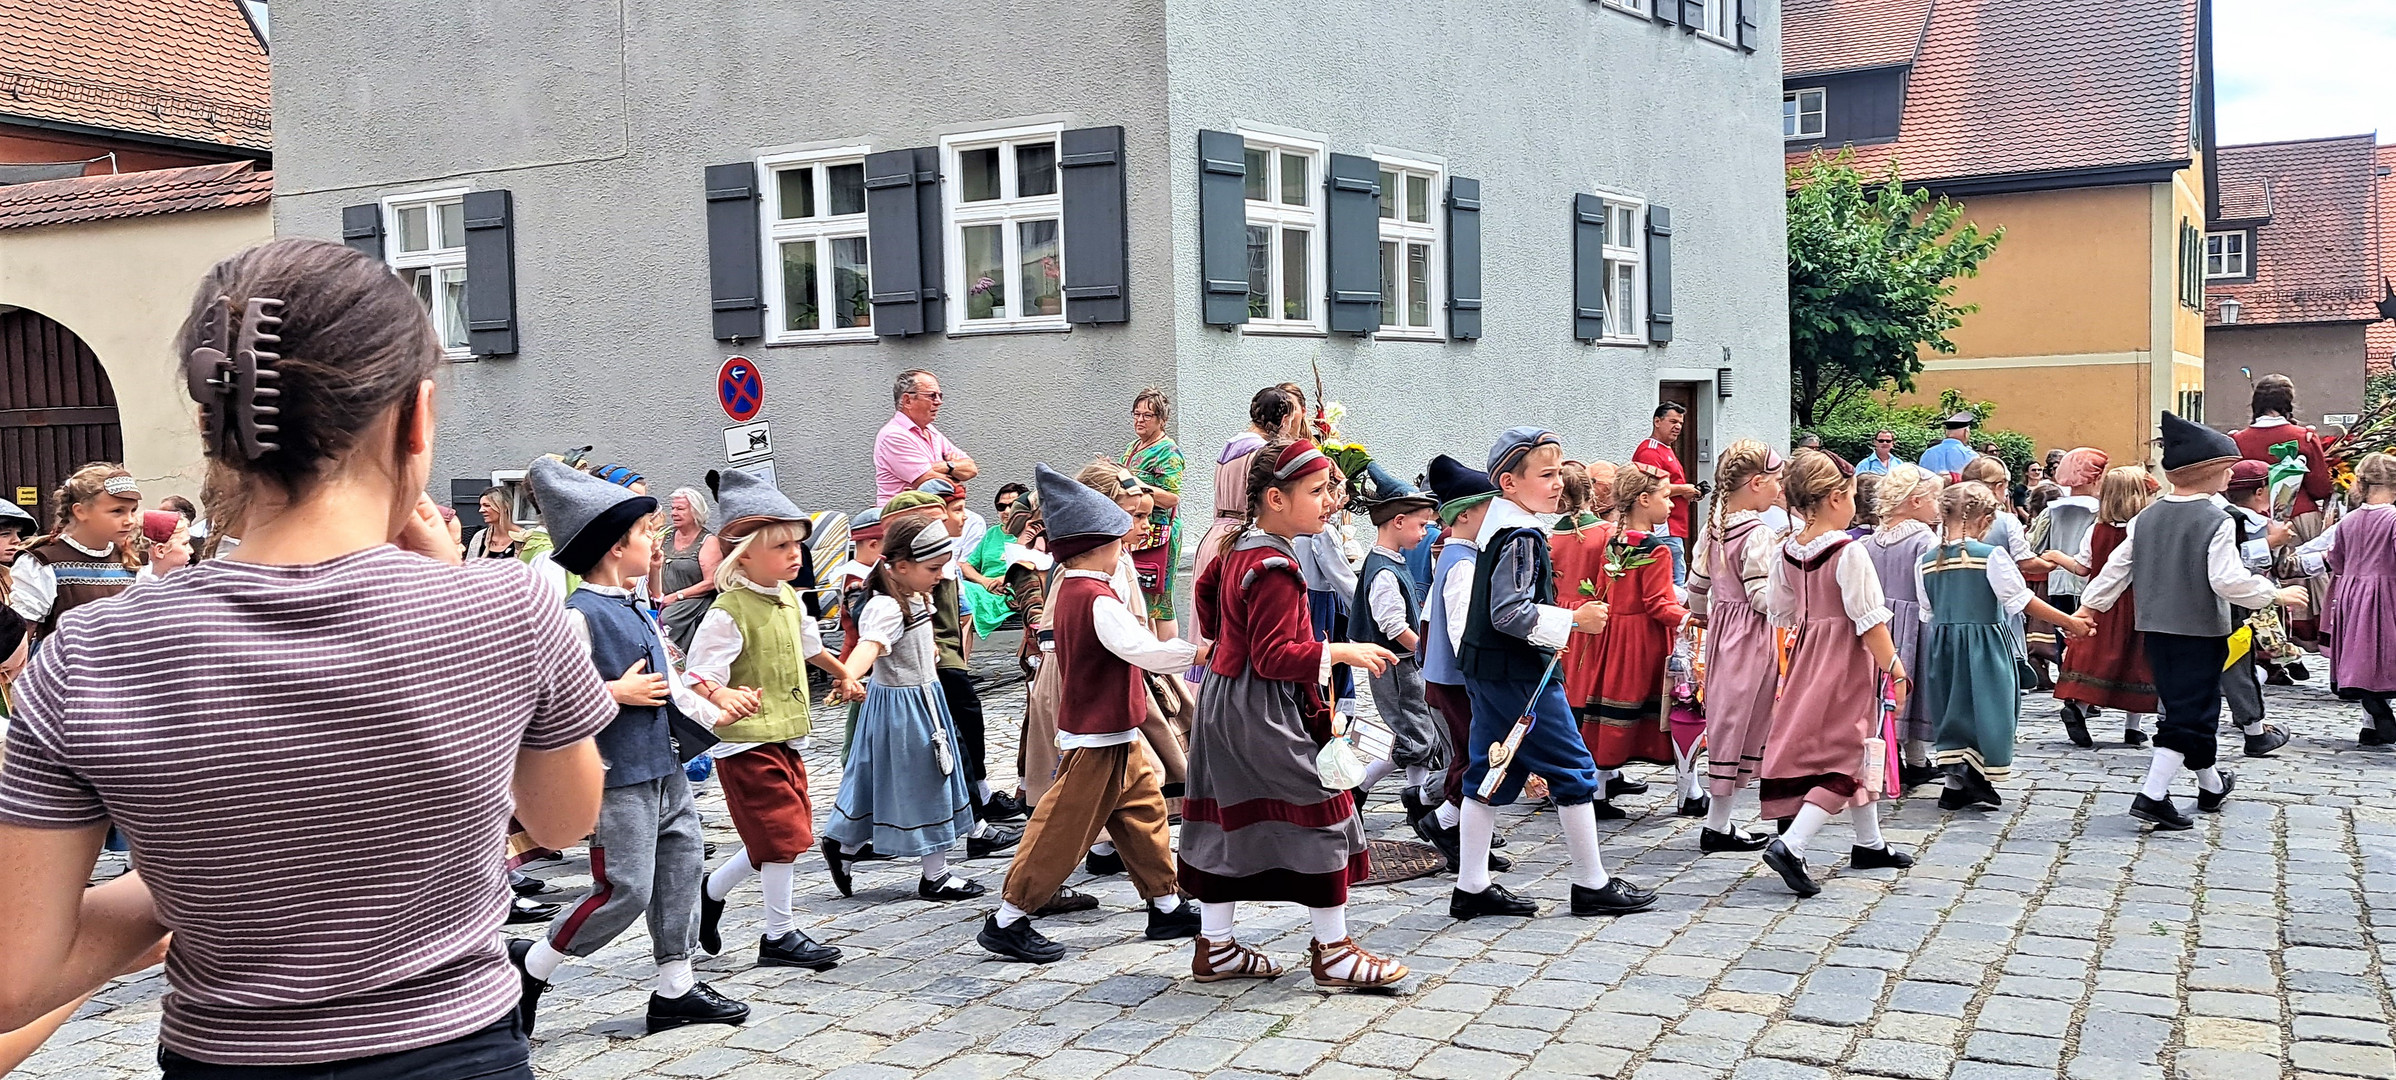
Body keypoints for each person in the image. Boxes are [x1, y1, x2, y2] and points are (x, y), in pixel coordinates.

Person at [0, 238, 614, 1077]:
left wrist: (199, 886)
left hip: (225, 1058)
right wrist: (458, 585)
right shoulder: (504, 605)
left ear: (212, 429)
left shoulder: (92, 653)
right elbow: (564, 819)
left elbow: (16, 976)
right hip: (454, 1051)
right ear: (418, 415)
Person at [508, 459, 750, 1035]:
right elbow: (544, 691)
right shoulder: (577, 616)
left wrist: (718, 706)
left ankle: (676, 988)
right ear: (616, 548)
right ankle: (533, 965)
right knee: (625, 888)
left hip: (664, 768)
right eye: (645, 534)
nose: (655, 542)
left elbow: (671, 681)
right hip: (616, 776)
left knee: (680, 870)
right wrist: (613, 690)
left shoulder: (637, 606)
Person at [1180, 439, 1408, 988]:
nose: (1329, 501)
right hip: (1261, 708)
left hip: (1223, 699)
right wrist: (1342, 651)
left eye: (1329, 488)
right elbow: (1275, 656)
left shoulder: (1238, 548)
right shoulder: (1276, 565)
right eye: (1317, 490)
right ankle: (1333, 951)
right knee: (1324, 809)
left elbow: (1208, 605)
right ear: (1275, 499)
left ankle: (1217, 947)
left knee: (1226, 817)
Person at [977, 465, 1199, 963]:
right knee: (1061, 828)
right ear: (1098, 545)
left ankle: (1165, 905)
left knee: (1143, 814)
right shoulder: (1094, 597)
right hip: (1097, 735)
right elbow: (1140, 648)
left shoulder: (1084, 589)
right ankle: (1008, 919)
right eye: (1118, 540)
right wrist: (1196, 654)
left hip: (1116, 730)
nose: (1125, 545)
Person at [1451, 428, 1655, 920]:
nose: (1557, 483)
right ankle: (1591, 883)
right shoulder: (1519, 536)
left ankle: (1471, 886)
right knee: (1572, 767)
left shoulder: (1504, 528)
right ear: (1508, 483)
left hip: (1492, 669)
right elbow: (1509, 613)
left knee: (1492, 768)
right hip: (1518, 672)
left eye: (1558, 473)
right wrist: (1573, 620)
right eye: (1545, 475)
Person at [2079, 414, 2308, 830]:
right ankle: (2152, 796)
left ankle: (2211, 783)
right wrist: (2274, 593)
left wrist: (2091, 606)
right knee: (2190, 715)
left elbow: (2117, 568)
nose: (2230, 476)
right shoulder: (2217, 520)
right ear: (2209, 473)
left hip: (2155, 630)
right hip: (2201, 632)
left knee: (2192, 709)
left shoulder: (2144, 518)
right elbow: (2226, 580)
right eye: (2226, 469)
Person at [686, 469, 857, 967]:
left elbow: (809, 648)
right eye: (781, 545)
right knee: (784, 837)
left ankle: (710, 891)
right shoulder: (728, 611)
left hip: (784, 733)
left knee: (783, 832)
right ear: (745, 553)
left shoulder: (789, 599)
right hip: (743, 742)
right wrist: (722, 693)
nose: (794, 554)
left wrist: (844, 673)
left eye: (797, 545)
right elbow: (699, 675)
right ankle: (779, 935)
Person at [1757, 449, 1914, 898]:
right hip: (1847, 658)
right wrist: (1897, 670)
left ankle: (1870, 843)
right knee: (1846, 752)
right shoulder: (1849, 552)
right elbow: (1870, 621)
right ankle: (1793, 843)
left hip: (1809, 654)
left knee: (1859, 744)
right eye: (1849, 497)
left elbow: (1782, 610)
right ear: (1832, 499)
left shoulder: (1786, 550)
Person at [819, 514, 989, 901]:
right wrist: (848, 675)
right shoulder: (886, 606)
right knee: (928, 781)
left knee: (881, 780)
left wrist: (926, 649)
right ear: (900, 567)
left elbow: (904, 642)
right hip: (904, 706)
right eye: (933, 567)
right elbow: (871, 645)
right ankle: (936, 875)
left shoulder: (914, 594)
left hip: (921, 697)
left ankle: (843, 845)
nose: (940, 574)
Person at [1916, 481, 2091, 813]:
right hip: (1985, 641)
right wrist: (2069, 623)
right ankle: (1971, 772)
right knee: (1990, 704)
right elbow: (2021, 600)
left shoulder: (1926, 560)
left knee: (1954, 706)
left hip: (1944, 645)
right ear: (1984, 519)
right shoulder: (1990, 556)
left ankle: (1955, 785)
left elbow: (1928, 612)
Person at [1411, 455, 1510, 874]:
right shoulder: (1463, 564)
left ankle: (1448, 822)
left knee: (1470, 756)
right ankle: (1445, 821)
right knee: (1477, 757)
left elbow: (1429, 618)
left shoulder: (1456, 556)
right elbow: (1457, 629)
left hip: (1446, 677)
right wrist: (1478, 677)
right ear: (1466, 514)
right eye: (1491, 506)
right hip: (1458, 680)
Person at [1684, 440, 1783, 852]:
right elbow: (1761, 596)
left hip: (1724, 632)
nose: (1779, 489)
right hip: (1750, 635)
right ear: (1756, 483)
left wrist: (1709, 613)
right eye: (1775, 481)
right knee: (1742, 720)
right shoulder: (1757, 533)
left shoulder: (1715, 527)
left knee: (1728, 718)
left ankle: (1719, 821)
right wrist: (1793, 601)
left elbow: (1696, 589)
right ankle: (1718, 824)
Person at [1577, 464, 1688, 816]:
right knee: (1656, 710)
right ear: (1644, 499)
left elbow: (1600, 590)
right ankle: (1691, 791)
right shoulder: (1656, 548)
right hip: (1643, 641)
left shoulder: (1614, 541)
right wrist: (1693, 618)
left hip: (1613, 636)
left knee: (1610, 704)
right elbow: (1658, 605)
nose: (1671, 506)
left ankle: (1598, 788)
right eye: (1666, 497)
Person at [1346, 476, 1446, 815]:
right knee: (1415, 735)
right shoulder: (1384, 571)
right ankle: (1359, 787)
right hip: (1396, 666)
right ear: (1398, 522)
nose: (1423, 533)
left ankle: (1416, 796)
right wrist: (1426, 651)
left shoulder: (1393, 562)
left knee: (1418, 733)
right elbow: (1393, 625)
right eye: (1420, 525)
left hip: (1402, 665)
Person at [2044, 466, 2160, 748]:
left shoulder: (2096, 530)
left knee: (2095, 659)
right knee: (2139, 660)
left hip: (2100, 605)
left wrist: (2058, 557)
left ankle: (2079, 709)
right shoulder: (2146, 531)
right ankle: (2133, 727)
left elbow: (2082, 568)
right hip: (2138, 603)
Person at [1191, 386, 1306, 660]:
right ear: (1285, 419)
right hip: (1240, 536)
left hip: (1215, 534)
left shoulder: (1230, 443)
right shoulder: (1262, 452)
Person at [1864, 464, 1945, 788]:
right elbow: (1929, 590)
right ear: (1915, 501)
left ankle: (1901, 756)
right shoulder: (1924, 540)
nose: (1938, 507)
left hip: (1881, 626)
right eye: (1934, 499)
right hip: (1914, 624)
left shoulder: (1872, 541)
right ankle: (1914, 760)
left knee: (1885, 689)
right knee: (1915, 688)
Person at [10, 463, 142, 642]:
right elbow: (21, 636)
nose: (130, 521)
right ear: (80, 511)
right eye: (117, 511)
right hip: (64, 667)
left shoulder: (133, 562)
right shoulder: (44, 563)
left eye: (133, 511)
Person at [2318, 453, 2396, 745]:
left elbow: (2335, 558)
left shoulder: (2349, 520)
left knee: (2361, 651)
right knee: (2383, 651)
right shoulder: (2393, 518)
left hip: (2350, 592)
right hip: (2385, 591)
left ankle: (2371, 724)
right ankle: (2377, 702)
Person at [1123, 387, 1187, 639]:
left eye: (1147, 416)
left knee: (1160, 600)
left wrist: (1136, 485)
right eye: (1136, 414)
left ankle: (1170, 661)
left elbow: (1172, 498)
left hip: (1159, 532)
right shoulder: (1133, 446)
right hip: (1136, 532)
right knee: (1141, 597)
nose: (1139, 420)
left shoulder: (1168, 452)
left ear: (1162, 420)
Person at [874, 369, 978, 501]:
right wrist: (955, 471)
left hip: (933, 510)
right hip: (905, 515)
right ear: (907, 401)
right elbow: (934, 486)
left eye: (940, 395)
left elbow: (972, 468)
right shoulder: (893, 435)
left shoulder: (930, 431)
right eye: (932, 396)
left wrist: (945, 466)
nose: (939, 402)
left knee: (975, 521)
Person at [1630, 403, 1702, 585]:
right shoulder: (1650, 451)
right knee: (1672, 580)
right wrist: (1684, 489)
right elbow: (1651, 487)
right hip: (1663, 526)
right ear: (1657, 421)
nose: (1677, 426)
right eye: (1672, 421)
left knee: (1675, 575)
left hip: (1673, 523)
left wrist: (1687, 492)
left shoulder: (1664, 448)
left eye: (1680, 423)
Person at [654, 486, 718, 650]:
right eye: (673, 508)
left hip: (692, 602)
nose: (674, 513)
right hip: (663, 600)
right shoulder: (666, 536)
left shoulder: (708, 541)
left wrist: (677, 596)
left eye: (680, 509)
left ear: (695, 512)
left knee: (666, 620)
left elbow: (711, 582)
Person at [470, 486, 524, 559]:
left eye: (487, 505)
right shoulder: (479, 537)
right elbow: (469, 566)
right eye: (481, 506)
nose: (481, 510)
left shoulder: (523, 539)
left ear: (504, 507)